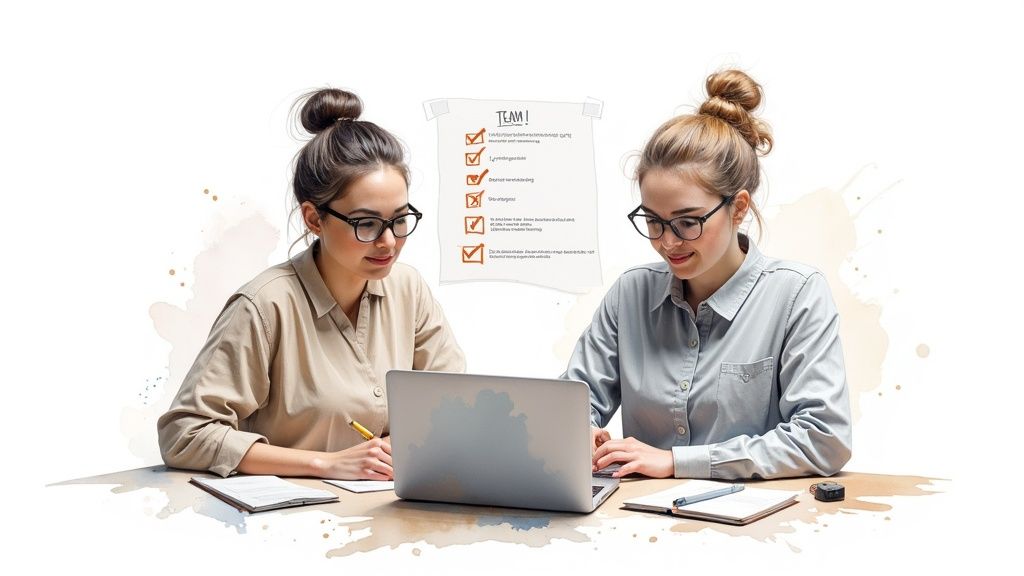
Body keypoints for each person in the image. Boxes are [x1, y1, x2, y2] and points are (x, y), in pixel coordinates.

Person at [158, 88, 465, 480]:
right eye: (366, 223)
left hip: (385, 510)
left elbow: (454, 403)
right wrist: (327, 463)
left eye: (400, 219)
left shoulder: (408, 288)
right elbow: (185, 433)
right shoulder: (265, 305)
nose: (388, 241)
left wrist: (396, 446)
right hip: (287, 522)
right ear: (314, 219)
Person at [564, 70, 852, 480]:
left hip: (754, 529)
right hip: (633, 520)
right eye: (653, 221)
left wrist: (675, 462)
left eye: (687, 222)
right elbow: (573, 402)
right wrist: (580, 432)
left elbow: (824, 439)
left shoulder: (797, 295)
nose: (668, 242)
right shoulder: (631, 293)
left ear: (738, 208)